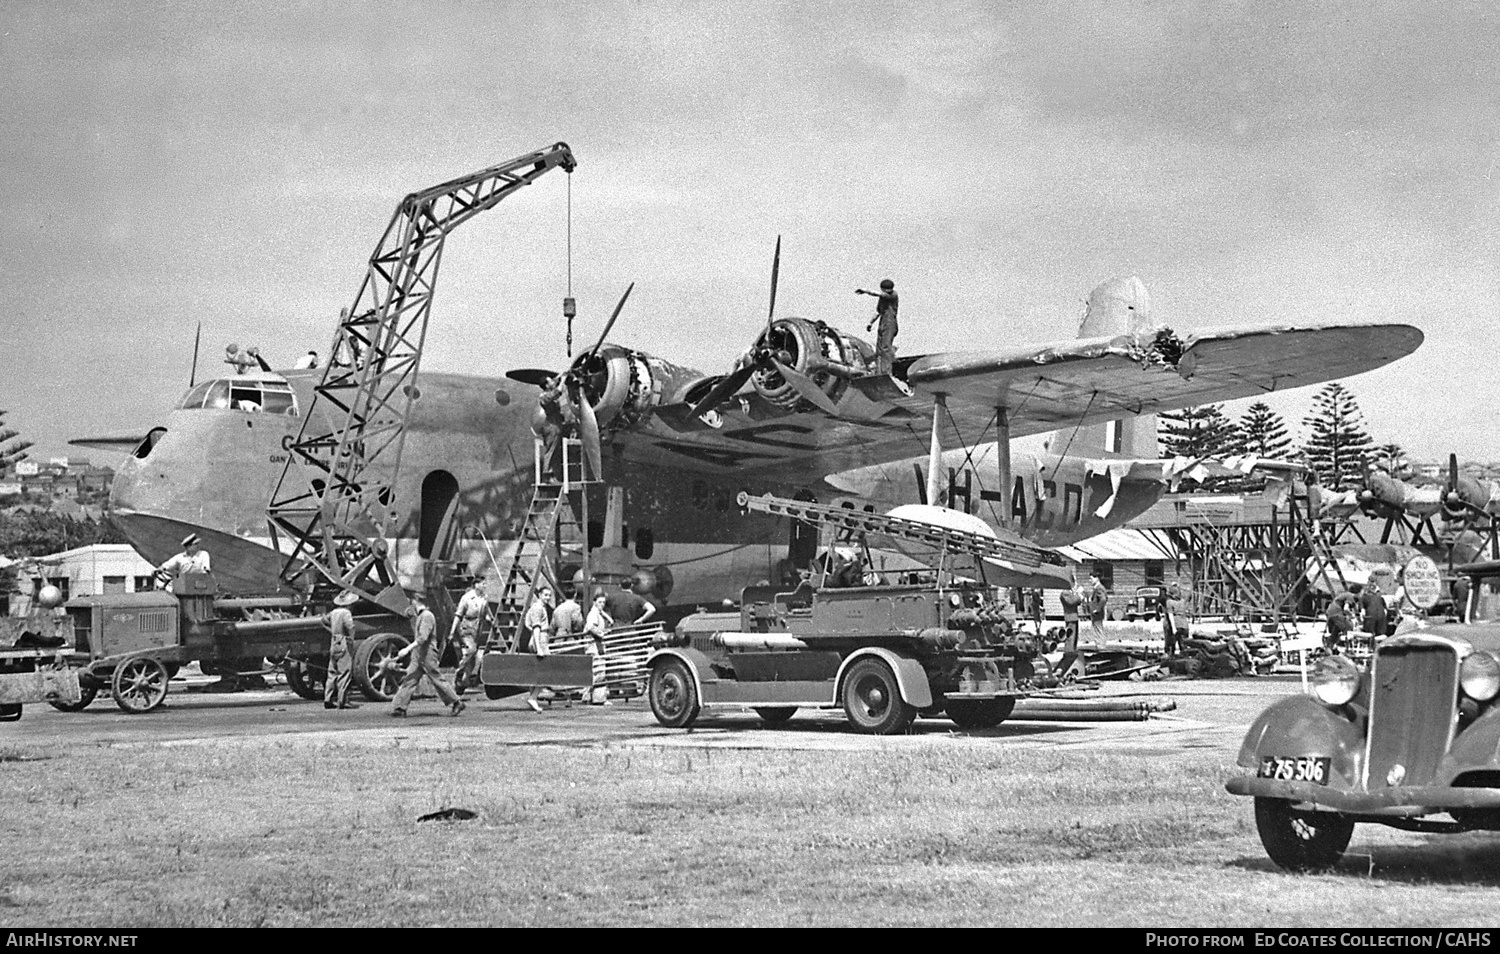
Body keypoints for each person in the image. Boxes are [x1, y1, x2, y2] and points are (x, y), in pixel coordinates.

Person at [390, 593, 465, 718]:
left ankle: (456, 702)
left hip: (427, 654)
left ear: (416, 601)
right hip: (419, 654)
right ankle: (399, 707)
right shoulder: (421, 616)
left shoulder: (427, 616)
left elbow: (423, 638)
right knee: (410, 679)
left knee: (436, 679)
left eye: (412, 601)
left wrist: (407, 649)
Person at [856, 279, 901, 377]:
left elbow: (879, 294)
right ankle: (880, 372)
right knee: (879, 350)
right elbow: (878, 312)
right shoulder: (883, 299)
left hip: (890, 324)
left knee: (886, 348)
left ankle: (888, 372)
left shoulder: (893, 295)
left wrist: (866, 291)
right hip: (882, 324)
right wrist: (870, 322)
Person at [323, 590, 360, 710]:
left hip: (333, 641)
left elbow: (323, 620)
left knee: (332, 671)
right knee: (344, 672)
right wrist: (351, 639)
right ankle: (342, 701)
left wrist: (331, 631)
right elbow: (350, 627)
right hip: (343, 642)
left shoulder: (333, 612)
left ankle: (328, 699)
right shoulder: (346, 612)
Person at [449, 579, 487, 692]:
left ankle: (462, 683)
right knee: (471, 650)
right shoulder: (466, 598)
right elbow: (458, 615)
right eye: (483, 583)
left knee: (473, 658)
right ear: (476, 585)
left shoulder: (484, 597)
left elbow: (484, 612)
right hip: (466, 628)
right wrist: (452, 632)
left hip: (478, 629)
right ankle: (459, 671)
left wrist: (489, 619)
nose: (485, 585)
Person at [522, 585, 555, 713]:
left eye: (549, 595)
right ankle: (533, 697)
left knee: (537, 671)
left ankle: (533, 698)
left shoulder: (537, 607)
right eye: (545, 595)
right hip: (540, 639)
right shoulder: (538, 608)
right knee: (546, 669)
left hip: (538, 638)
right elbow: (536, 628)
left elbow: (527, 623)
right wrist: (539, 648)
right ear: (540, 595)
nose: (548, 598)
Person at [582, 590, 613, 705]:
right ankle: (599, 698)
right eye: (599, 602)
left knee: (594, 671)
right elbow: (590, 627)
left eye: (603, 602)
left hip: (595, 644)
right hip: (594, 644)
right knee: (599, 671)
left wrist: (605, 615)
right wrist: (602, 634)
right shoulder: (593, 614)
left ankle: (587, 696)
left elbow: (609, 621)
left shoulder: (597, 613)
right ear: (594, 602)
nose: (602, 604)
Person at [1058, 580, 1083, 653]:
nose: (1075, 585)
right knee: (1071, 636)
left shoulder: (1070, 593)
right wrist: (1078, 594)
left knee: (1074, 636)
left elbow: (1077, 602)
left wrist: (1077, 596)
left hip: (1073, 616)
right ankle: (1069, 651)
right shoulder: (1065, 593)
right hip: (1070, 616)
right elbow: (1071, 602)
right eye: (1074, 584)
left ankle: (1072, 650)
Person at [1086, 572, 1109, 643]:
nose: (1090, 581)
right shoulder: (1096, 588)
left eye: (1091, 579)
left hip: (1097, 614)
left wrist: (1097, 609)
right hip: (1095, 614)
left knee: (1098, 631)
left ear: (1097, 578)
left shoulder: (1099, 588)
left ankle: (1101, 646)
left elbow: (1103, 599)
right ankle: (1099, 645)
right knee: (1097, 630)